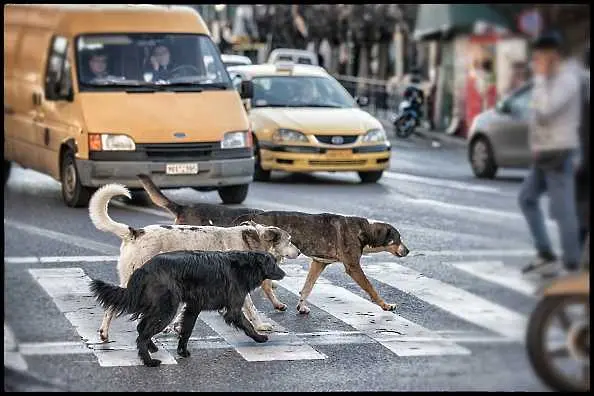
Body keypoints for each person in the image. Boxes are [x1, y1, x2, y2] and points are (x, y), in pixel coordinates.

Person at [519, 32, 584, 277]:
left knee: (563, 209)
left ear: (553, 54)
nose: (537, 60)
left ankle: (572, 264)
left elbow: (544, 110)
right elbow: (535, 113)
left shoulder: (567, 78)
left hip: (559, 153)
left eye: (541, 55)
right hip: (545, 153)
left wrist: (541, 79)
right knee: (527, 198)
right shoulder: (549, 78)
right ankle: (546, 252)